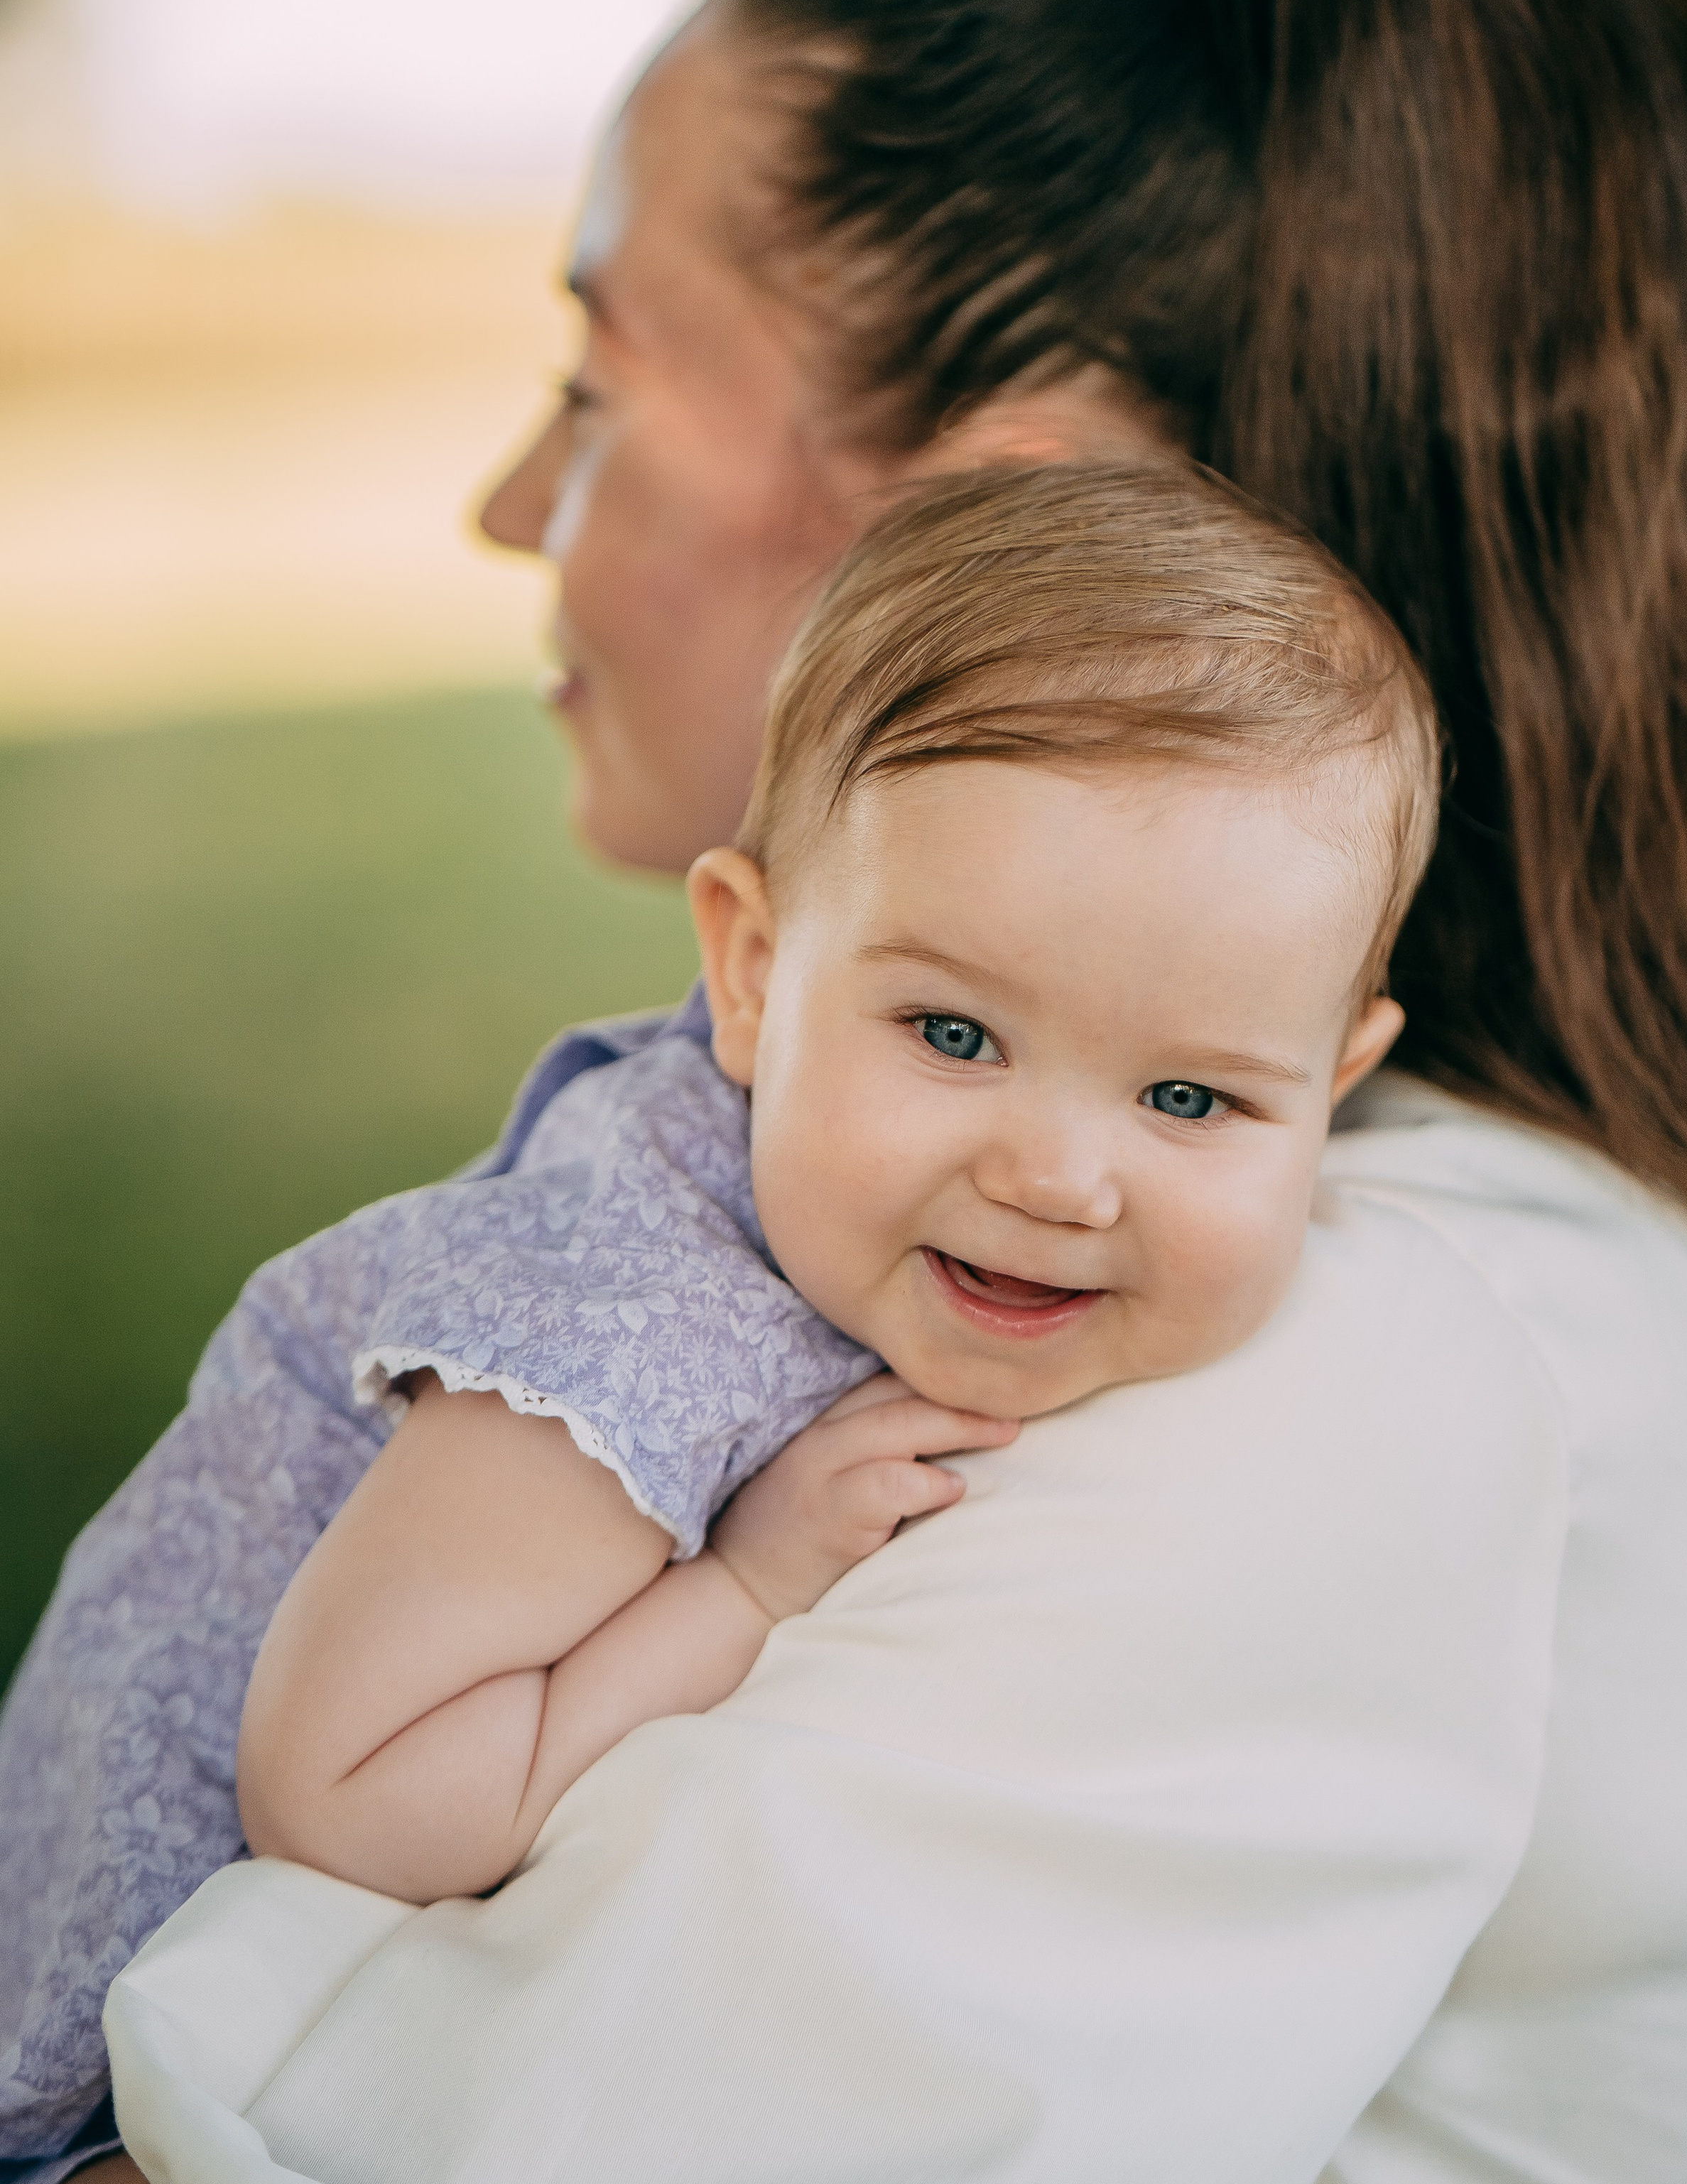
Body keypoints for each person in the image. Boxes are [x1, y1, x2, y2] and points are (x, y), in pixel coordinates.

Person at [4, 0, 1687, 2184]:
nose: (508, 507)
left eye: (601, 375)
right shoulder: (1209, 1224)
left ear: (997, 511)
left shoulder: (1327, 1356)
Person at [232, 461, 1435, 1906]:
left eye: (1188, 1097)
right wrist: (743, 1590)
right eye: (952, 1033)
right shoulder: (629, 1320)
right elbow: (347, 1798)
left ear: (1334, 1085)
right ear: (749, 970)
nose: (1055, 1180)